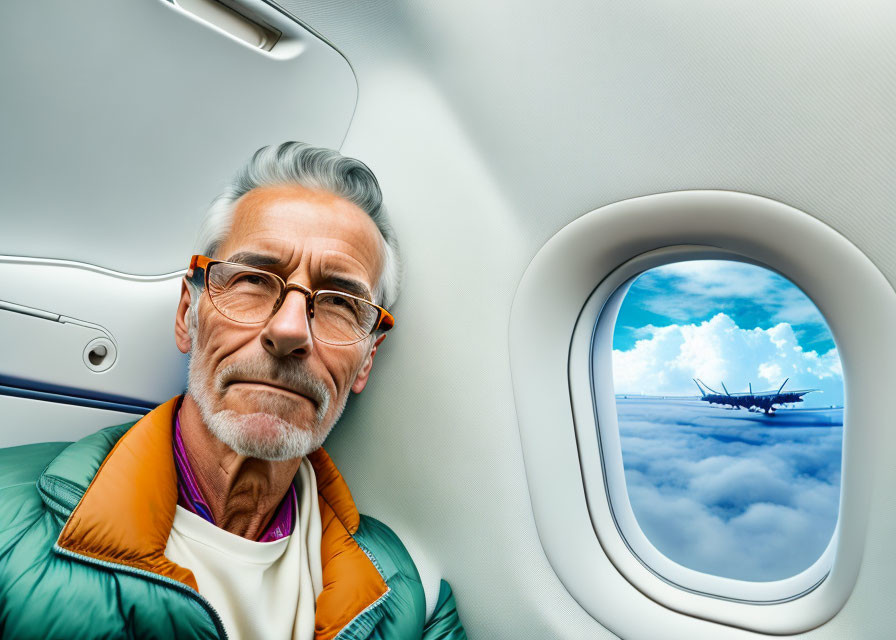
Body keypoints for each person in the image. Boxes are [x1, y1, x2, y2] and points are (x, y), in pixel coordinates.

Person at [0, 142, 466, 639]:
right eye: (253, 280)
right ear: (188, 315)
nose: (289, 330)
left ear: (365, 361)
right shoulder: (10, 525)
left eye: (338, 302)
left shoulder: (412, 597)